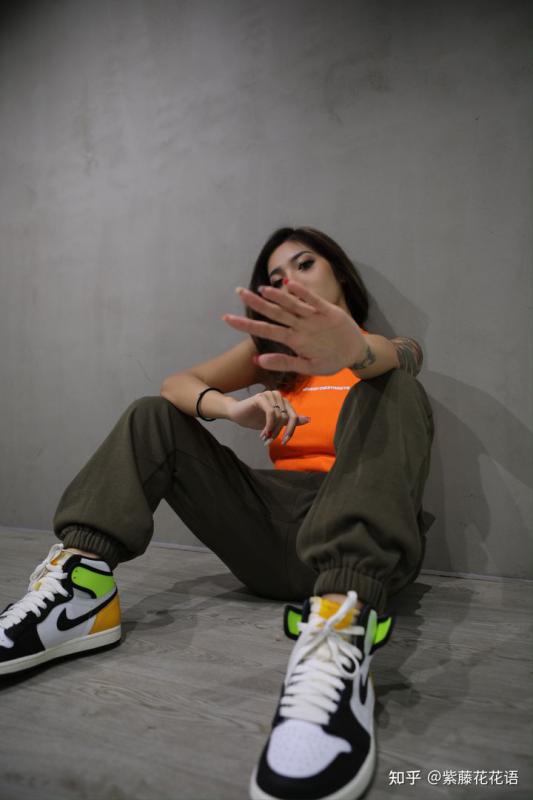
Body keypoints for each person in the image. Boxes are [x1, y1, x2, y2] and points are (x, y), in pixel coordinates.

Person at [0, 226, 435, 800]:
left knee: (398, 390)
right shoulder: (272, 358)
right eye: (276, 277)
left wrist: (351, 350)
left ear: (340, 273)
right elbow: (177, 383)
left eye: (305, 264)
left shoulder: (387, 349)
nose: (289, 280)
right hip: (269, 529)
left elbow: (396, 358)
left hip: (353, 534)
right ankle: (80, 592)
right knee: (153, 414)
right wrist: (231, 408)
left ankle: (338, 638)